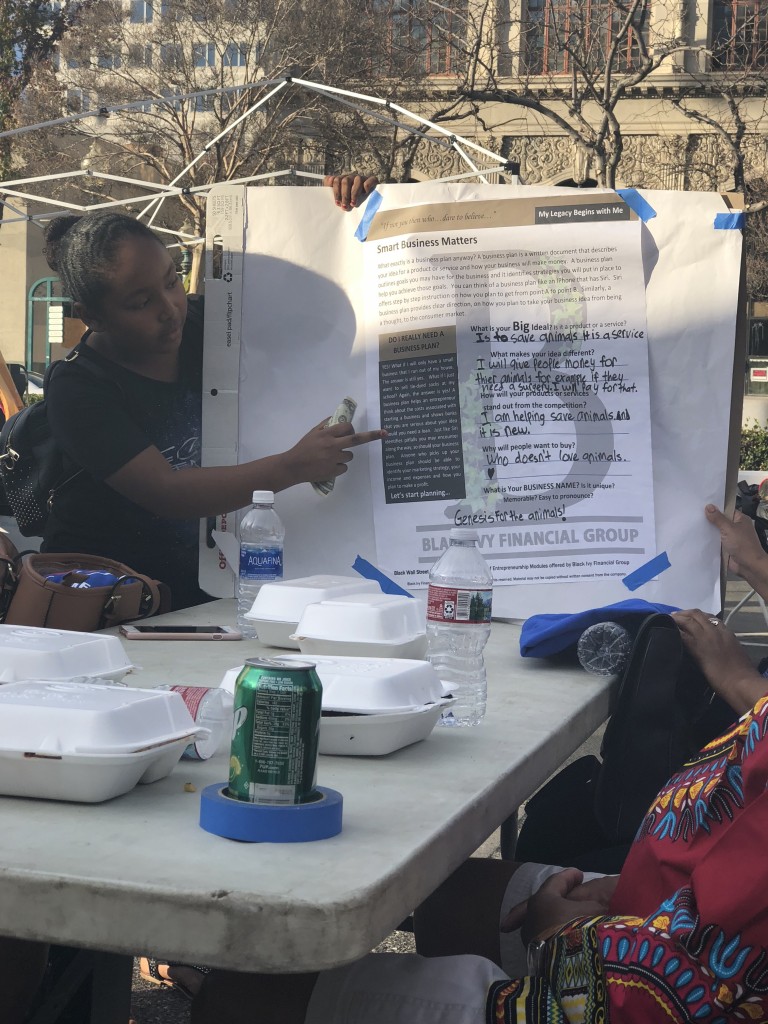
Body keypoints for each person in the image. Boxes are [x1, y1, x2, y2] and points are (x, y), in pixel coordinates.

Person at [189, 503, 768, 1024]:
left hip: (649, 988)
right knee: (455, 895)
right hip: (673, 904)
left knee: (247, 996)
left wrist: (556, 935)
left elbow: (666, 991)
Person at [40, 175, 381, 610]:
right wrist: (291, 467)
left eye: (171, 280)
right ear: (93, 317)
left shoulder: (213, 323)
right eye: (140, 302)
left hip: (214, 593)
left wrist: (351, 211)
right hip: (110, 604)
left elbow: (308, 309)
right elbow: (166, 491)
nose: (170, 309)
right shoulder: (78, 387)